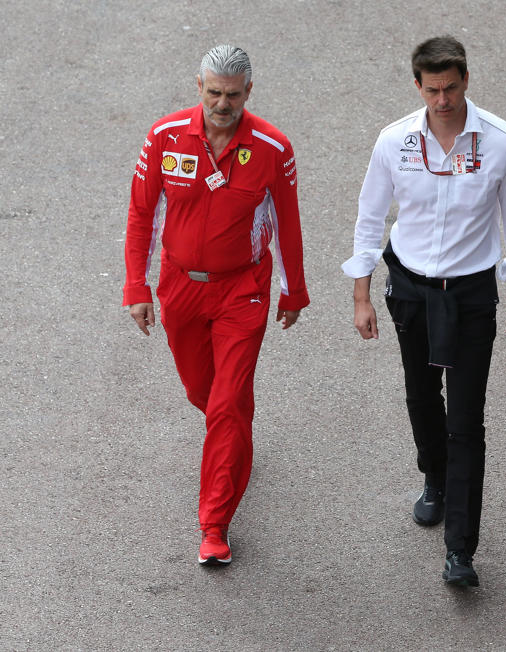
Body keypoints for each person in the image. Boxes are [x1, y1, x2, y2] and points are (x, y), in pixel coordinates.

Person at [342, 36, 506, 587]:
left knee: (466, 420)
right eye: (433, 90)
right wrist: (361, 295)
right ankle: (434, 478)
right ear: (417, 87)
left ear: (466, 80)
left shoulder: (501, 143)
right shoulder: (393, 142)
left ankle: (460, 550)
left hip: (472, 293)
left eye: (451, 87)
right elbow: (369, 218)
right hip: (410, 288)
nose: (444, 99)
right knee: (422, 395)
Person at [123, 45, 309, 566]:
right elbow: (140, 216)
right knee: (203, 394)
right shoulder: (165, 137)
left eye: (231, 95)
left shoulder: (273, 147)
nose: (221, 104)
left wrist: (294, 290)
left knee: (227, 405)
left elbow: (288, 224)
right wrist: (135, 287)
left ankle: (215, 525)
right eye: (212, 93)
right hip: (180, 287)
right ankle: (233, 443)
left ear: (248, 92)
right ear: (198, 87)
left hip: (242, 290)